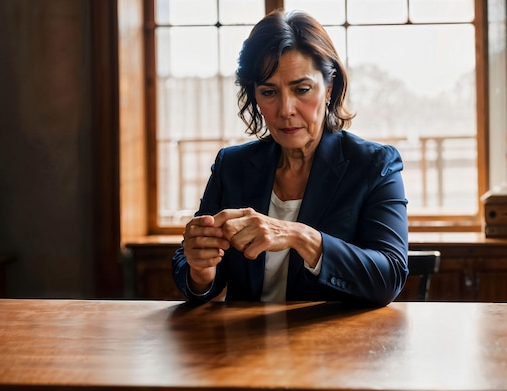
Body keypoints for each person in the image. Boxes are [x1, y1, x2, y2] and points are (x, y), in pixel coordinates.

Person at [172, 9, 408, 307]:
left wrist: (299, 236)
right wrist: (201, 269)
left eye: (302, 89)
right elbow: (192, 273)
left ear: (329, 87)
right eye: (269, 92)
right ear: (254, 97)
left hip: (336, 347)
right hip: (244, 348)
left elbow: (389, 276)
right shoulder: (232, 166)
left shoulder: (375, 165)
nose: (285, 109)